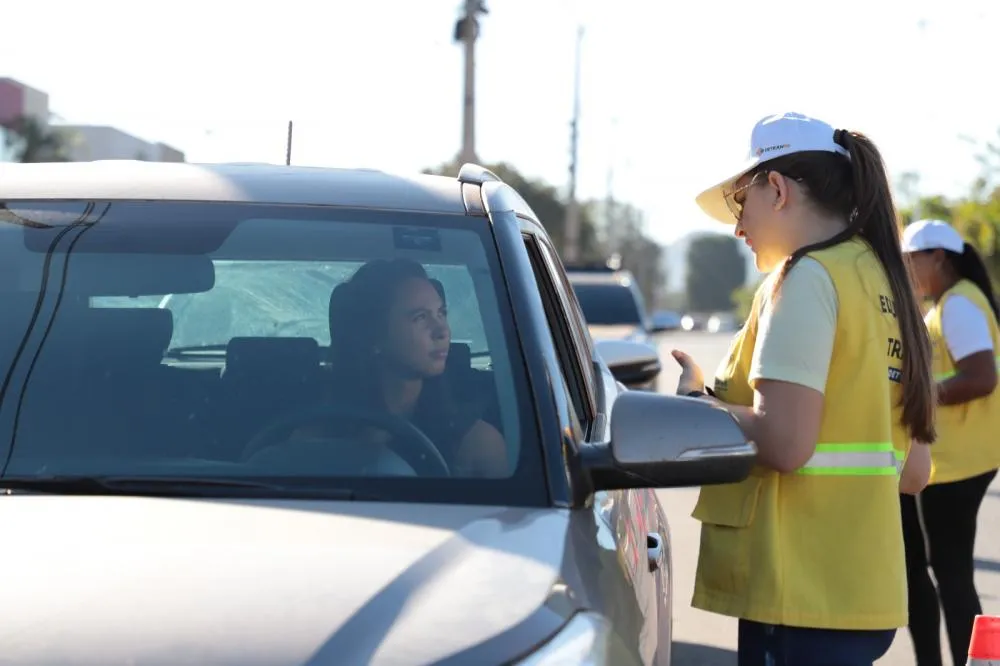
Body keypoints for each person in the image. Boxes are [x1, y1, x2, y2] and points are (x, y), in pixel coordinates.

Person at [671, 111, 936, 666]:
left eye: (741, 205)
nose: (738, 228)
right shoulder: (884, 281)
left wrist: (698, 407)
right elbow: (914, 472)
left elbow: (787, 443)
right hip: (864, 593)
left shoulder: (807, 278)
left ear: (777, 189)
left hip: (801, 597)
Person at [284, 258, 507, 478]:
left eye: (441, 313)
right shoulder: (313, 442)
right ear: (374, 336)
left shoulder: (476, 445)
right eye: (420, 317)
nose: (442, 330)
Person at [899, 219, 1000, 666]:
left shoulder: (958, 305)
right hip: (951, 460)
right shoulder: (948, 304)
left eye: (911, 260)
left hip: (958, 464)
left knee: (953, 576)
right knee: (941, 573)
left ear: (938, 257)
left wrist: (920, 395)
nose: (907, 270)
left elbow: (981, 377)